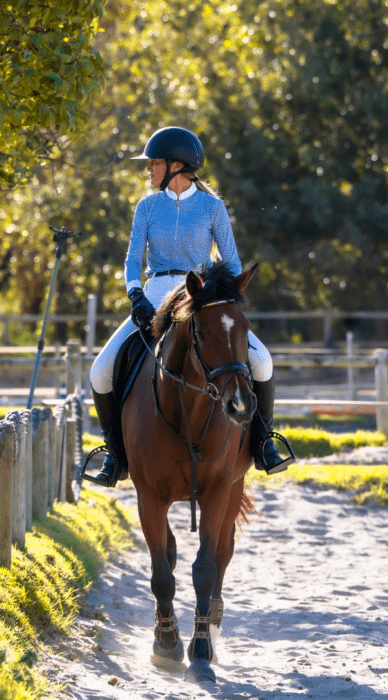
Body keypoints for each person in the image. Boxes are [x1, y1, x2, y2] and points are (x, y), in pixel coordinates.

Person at [85, 126, 294, 487]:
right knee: (100, 371)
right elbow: (133, 259)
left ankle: (263, 443)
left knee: (262, 361)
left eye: (153, 164)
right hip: (154, 294)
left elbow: (231, 263)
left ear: (176, 165)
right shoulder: (147, 206)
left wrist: (219, 296)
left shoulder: (212, 207)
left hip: (200, 297)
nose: (148, 170)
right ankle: (116, 455)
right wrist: (135, 294)